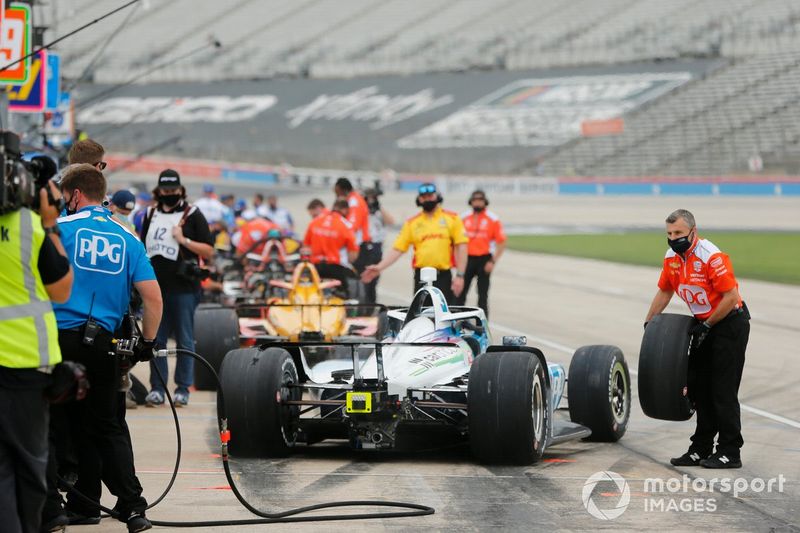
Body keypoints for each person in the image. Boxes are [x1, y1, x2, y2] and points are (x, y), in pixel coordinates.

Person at [52, 164, 162, 531]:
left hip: (60, 340)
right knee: (105, 426)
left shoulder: (59, 230)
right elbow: (152, 297)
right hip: (105, 344)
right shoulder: (127, 236)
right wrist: (147, 343)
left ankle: (53, 506)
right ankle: (132, 508)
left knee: (54, 425)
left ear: (76, 195)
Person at [645, 209, 750, 469]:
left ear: (693, 231)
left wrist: (708, 324)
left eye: (678, 233)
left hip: (728, 323)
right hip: (704, 325)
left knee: (722, 390)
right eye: (669, 234)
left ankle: (729, 450)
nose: (673, 238)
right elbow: (665, 291)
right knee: (699, 389)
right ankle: (700, 448)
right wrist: (649, 323)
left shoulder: (711, 256)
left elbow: (731, 297)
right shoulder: (671, 258)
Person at [1, 181, 72, 533]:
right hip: (25, 362)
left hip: (23, 364)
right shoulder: (30, 227)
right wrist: (50, 225)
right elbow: (62, 289)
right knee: (29, 464)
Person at [140, 169, 214, 408]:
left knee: (184, 340)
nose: (169, 194)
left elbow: (209, 251)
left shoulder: (193, 214)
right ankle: (157, 389)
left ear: (181, 190)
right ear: (158, 191)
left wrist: (184, 241)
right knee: (156, 339)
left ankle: (183, 388)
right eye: (165, 191)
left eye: (173, 191)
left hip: (184, 288)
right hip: (155, 288)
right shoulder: (150, 213)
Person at [362, 183, 467, 302]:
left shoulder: (452, 219)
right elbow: (398, 249)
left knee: (443, 316)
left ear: (437, 197)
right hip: (421, 276)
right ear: (419, 199)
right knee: (420, 315)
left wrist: (460, 275)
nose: (427, 199)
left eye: (430, 196)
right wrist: (379, 267)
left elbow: (462, 246)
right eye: (424, 196)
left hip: (443, 276)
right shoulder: (412, 223)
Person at [455, 190, 506, 317]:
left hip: (484, 259)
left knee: (483, 295)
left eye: (480, 200)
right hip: (467, 259)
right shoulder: (463, 218)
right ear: (471, 202)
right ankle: (457, 321)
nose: (477, 202)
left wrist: (492, 261)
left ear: (485, 202)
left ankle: (483, 326)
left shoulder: (493, 219)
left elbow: (502, 242)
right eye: (475, 200)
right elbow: (455, 241)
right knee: (460, 293)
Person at [304, 199, 359, 290]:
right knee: (348, 292)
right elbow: (353, 254)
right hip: (336, 268)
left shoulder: (315, 222)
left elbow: (306, 247)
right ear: (344, 210)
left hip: (316, 267)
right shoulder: (345, 225)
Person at [363, 188, 394, 304]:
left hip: (376, 247)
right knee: (363, 278)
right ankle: (365, 302)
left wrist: (379, 207)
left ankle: (371, 303)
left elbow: (391, 221)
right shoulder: (362, 211)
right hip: (364, 246)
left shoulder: (378, 212)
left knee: (373, 279)